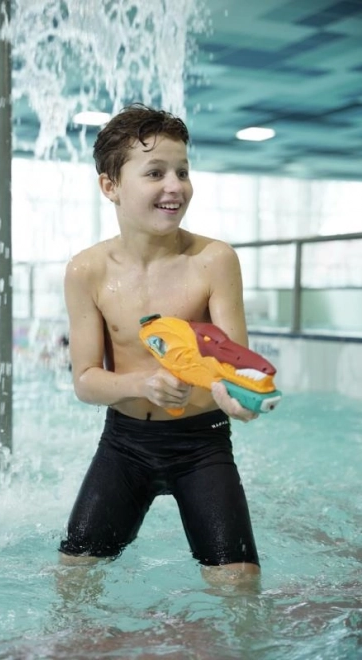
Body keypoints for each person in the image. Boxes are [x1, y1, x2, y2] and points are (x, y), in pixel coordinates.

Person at [59, 103, 260, 584]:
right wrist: (142, 384)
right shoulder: (88, 271)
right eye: (155, 173)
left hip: (202, 445)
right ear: (110, 186)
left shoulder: (213, 260)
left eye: (182, 172)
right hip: (124, 445)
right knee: (73, 576)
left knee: (238, 582)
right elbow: (85, 381)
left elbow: (236, 365)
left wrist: (240, 397)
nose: (176, 186)